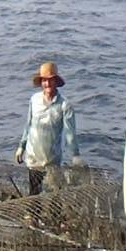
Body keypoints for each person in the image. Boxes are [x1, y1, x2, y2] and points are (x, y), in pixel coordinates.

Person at [15, 61, 84, 195]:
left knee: (54, 193)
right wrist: (21, 147)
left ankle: (54, 214)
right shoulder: (34, 100)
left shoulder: (65, 105)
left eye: (50, 80)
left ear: (56, 82)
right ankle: (32, 216)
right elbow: (28, 124)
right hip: (33, 156)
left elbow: (70, 132)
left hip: (52, 158)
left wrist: (75, 155)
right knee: (34, 192)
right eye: (44, 81)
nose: (47, 84)